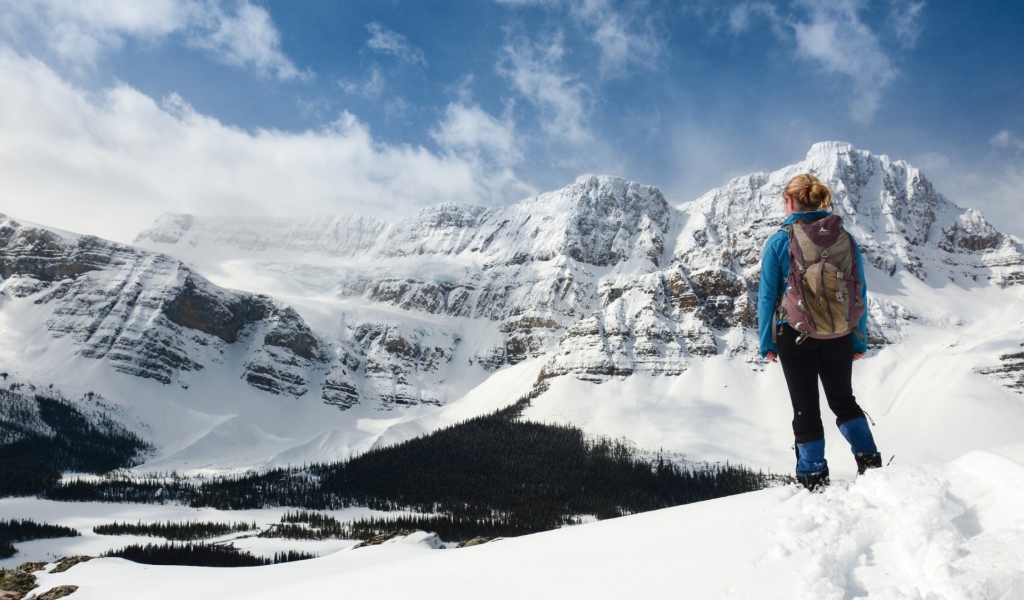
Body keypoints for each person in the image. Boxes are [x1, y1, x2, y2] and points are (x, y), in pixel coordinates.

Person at [757, 173, 882, 490]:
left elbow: (768, 296)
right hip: (839, 333)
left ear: (790, 201)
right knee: (843, 400)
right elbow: (859, 292)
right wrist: (857, 337)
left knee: (805, 406)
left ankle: (813, 475)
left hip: (794, 335)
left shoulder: (779, 240)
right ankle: (870, 463)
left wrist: (766, 341)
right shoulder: (846, 239)